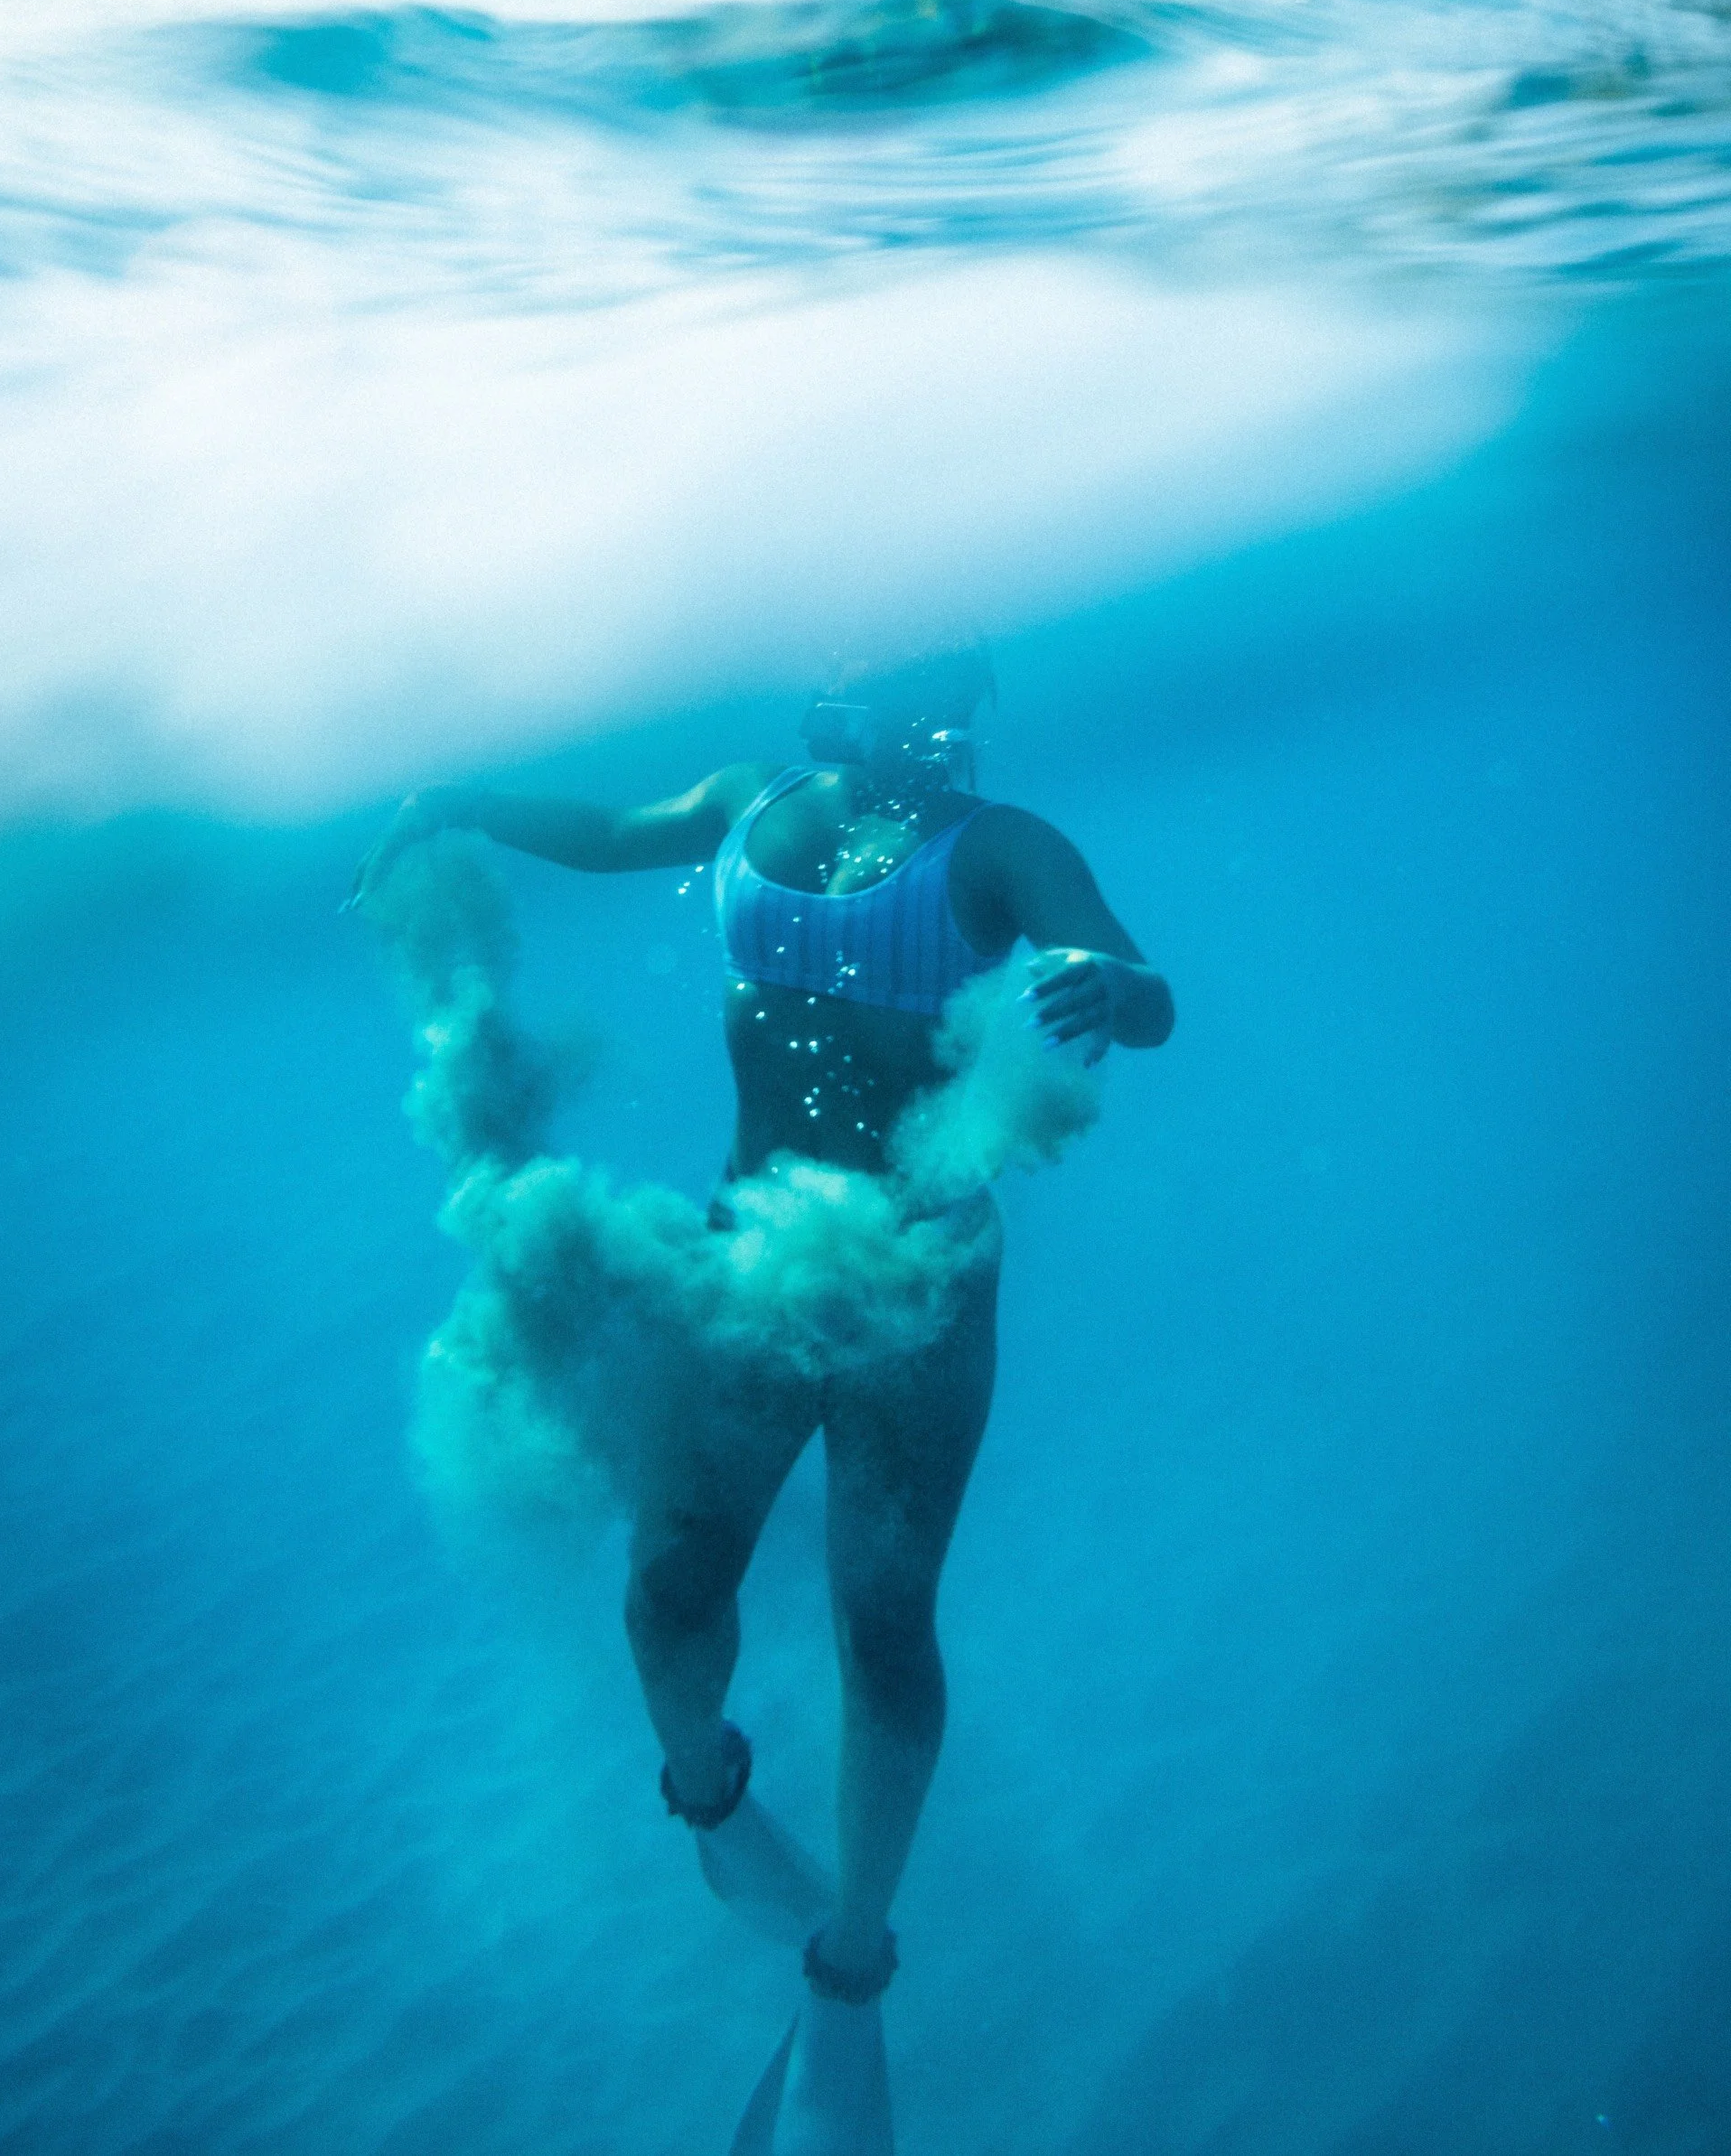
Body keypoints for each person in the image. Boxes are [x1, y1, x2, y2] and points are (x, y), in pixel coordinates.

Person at [352, 649, 1173, 2153]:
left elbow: (1140, 982)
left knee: (882, 1620)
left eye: (948, 691)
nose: (929, 719)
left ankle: (854, 1952)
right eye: (899, 686)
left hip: (916, 1283)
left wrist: (1107, 987)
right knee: (668, 1591)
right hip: (747, 1262)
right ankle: (715, 1805)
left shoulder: (1004, 850)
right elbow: (612, 832)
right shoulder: (754, 799)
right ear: (841, 690)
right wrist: (463, 799)